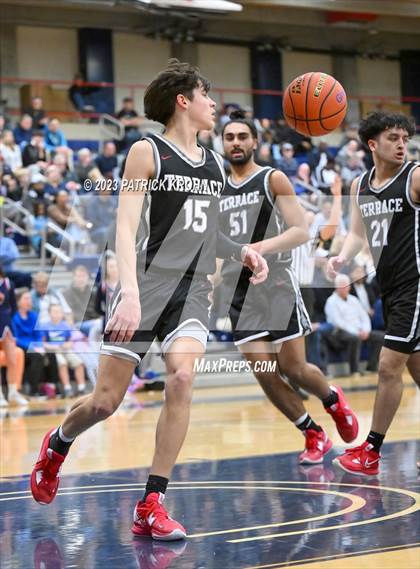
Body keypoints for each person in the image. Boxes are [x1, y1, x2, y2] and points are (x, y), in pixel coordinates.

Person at [30, 59, 268, 539]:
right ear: (184, 100)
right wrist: (130, 294)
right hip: (145, 285)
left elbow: (210, 233)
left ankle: (152, 502)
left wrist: (241, 250)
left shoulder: (217, 164)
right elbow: (125, 226)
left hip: (192, 291)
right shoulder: (146, 151)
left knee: (182, 375)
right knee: (104, 403)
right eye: (206, 94)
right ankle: (57, 444)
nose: (213, 103)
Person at [219, 111, 359, 463]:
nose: (235, 142)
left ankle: (331, 399)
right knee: (265, 372)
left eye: (242, 137)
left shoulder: (272, 179)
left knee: (294, 368)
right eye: (229, 137)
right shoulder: (217, 188)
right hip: (240, 292)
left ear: (254, 142)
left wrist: (259, 249)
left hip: (277, 282)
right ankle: (312, 432)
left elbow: (300, 230)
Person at [328, 112, 420, 476]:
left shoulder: (414, 176)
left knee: (387, 367)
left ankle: (371, 450)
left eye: (404, 139)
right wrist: (342, 257)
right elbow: (357, 232)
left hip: (416, 283)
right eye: (393, 138)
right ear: (372, 144)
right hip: (391, 287)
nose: (401, 144)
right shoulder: (359, 185)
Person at [325, 274, 383, 375]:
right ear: (336, 287)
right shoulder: (331, 302)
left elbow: (364, 316)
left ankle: (371, 367)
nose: (344, 289)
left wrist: (366, 330)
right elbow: (337, 322)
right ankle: (354, 370)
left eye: (346, 286)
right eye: (342, 286)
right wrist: (357, 333)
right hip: (339, 333)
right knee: (354, 338)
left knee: (381, 337)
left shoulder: (354, 299)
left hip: (360, 331)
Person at [43, 304, 87, 397]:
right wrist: (53, 347)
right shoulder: (45, 326)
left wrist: (67, 345)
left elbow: (70, 341)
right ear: (49, 313)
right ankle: (67, 389)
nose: (57, 314)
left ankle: (81, 388)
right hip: (54, 351)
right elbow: (43, 343)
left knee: (79, 362)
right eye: (55, 312)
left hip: (65, 349)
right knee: (62, 363)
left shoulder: (65, 325)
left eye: (59, 312)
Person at [0, 267, 27, 407]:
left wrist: (6, 319)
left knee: (12, 358)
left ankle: (12, 392)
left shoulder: (8, 283)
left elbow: (14, 307)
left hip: (6, 325)